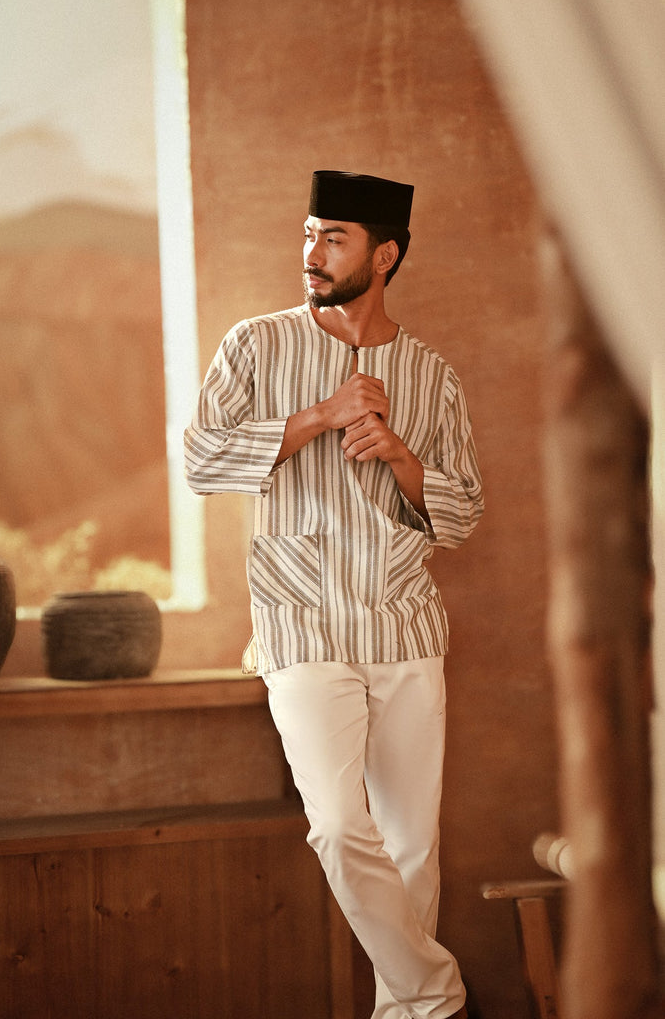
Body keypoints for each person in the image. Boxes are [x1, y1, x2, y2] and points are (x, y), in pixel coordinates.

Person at [184, 170, 483, 1019]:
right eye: (309, 233)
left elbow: (461, 514)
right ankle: (438, 997)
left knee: (412, 844)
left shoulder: (431, 374)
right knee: (340, 829)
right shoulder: (255, 344)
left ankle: (408, 1013)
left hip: (404, 625)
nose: (312, 252)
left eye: (334, 237)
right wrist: (320, 415)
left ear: (383, 256)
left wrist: (398, 454)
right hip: (301, 622)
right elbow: (201, 460)